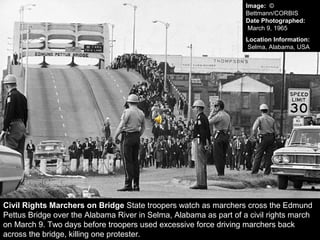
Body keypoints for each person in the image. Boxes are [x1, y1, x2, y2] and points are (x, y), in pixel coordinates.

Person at [114, 94, 145, 191]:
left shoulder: (127, 112)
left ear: (128, 102)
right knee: (135, 161)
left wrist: (115, 136)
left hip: (127, 136)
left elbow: (121, 125)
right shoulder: (141, 113)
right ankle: (136, 184)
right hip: (136, 136)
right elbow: (143, 127)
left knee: (127, 161)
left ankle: (128, 184)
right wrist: (138, 135)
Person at [0, 74, 28, 168]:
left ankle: (11, 175)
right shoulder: (23, 97)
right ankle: (21, 175)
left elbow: (9, 113)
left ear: (7, 85)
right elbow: (26, 114)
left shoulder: (11, 96)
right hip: (22, 126)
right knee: (20, 153)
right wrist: (23, 126)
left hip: (14, 126)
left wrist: (4, 129)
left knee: (10, 152)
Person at [251, 104, 278, 175]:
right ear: (267, 110)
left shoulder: (259, 119)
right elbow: (276, 131)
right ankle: (267, 172)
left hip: (262, 137)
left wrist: (255, 136)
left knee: (258, 155)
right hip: (271, 137)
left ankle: (254, 171)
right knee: (269, 156)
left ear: (261, 111)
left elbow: (254, 129)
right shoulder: (272, 119)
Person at [190, 99, 211, 190]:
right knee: (201, 163)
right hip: (201, 141)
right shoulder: (204, 117)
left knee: (199, 163)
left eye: (195, 107)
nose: (194, 109)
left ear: (198, 108)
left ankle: (200, 183)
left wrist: (204, 142)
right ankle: (202, 182)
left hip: (199, 142)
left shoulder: (200, 118)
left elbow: (203, 131)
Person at [208, 100, 231, 176]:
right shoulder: (227, 115)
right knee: (223, 155)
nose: (214, 108)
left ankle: (220, 173)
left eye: (216, 106)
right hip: (226, 135)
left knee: (217, 155)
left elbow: (208, 122)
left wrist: (211, 113)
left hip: (218, 135)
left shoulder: (219, 115)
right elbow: (230, 127)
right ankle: (222, 172)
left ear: (219, 107)